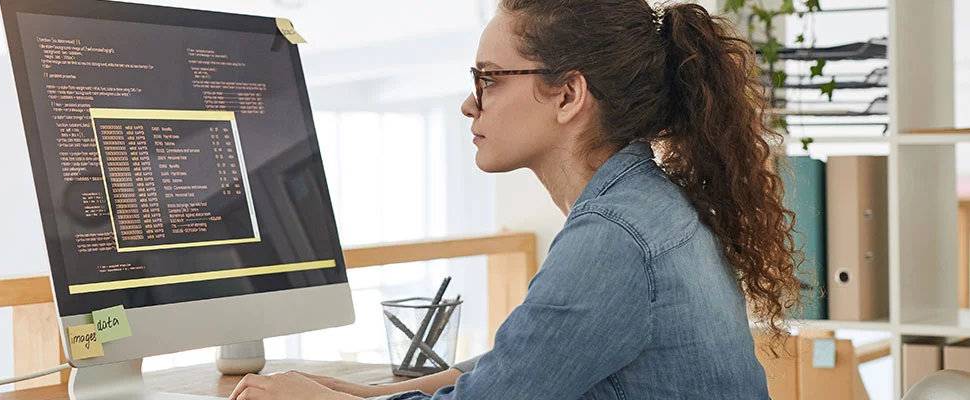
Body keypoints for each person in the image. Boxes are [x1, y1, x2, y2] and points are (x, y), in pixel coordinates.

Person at [229, 0, 802, 398]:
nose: (469, 104)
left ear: (569, 95)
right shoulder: (644, 206)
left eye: (490, 79)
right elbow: (529, 366)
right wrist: (360, 391)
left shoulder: (614, 237)